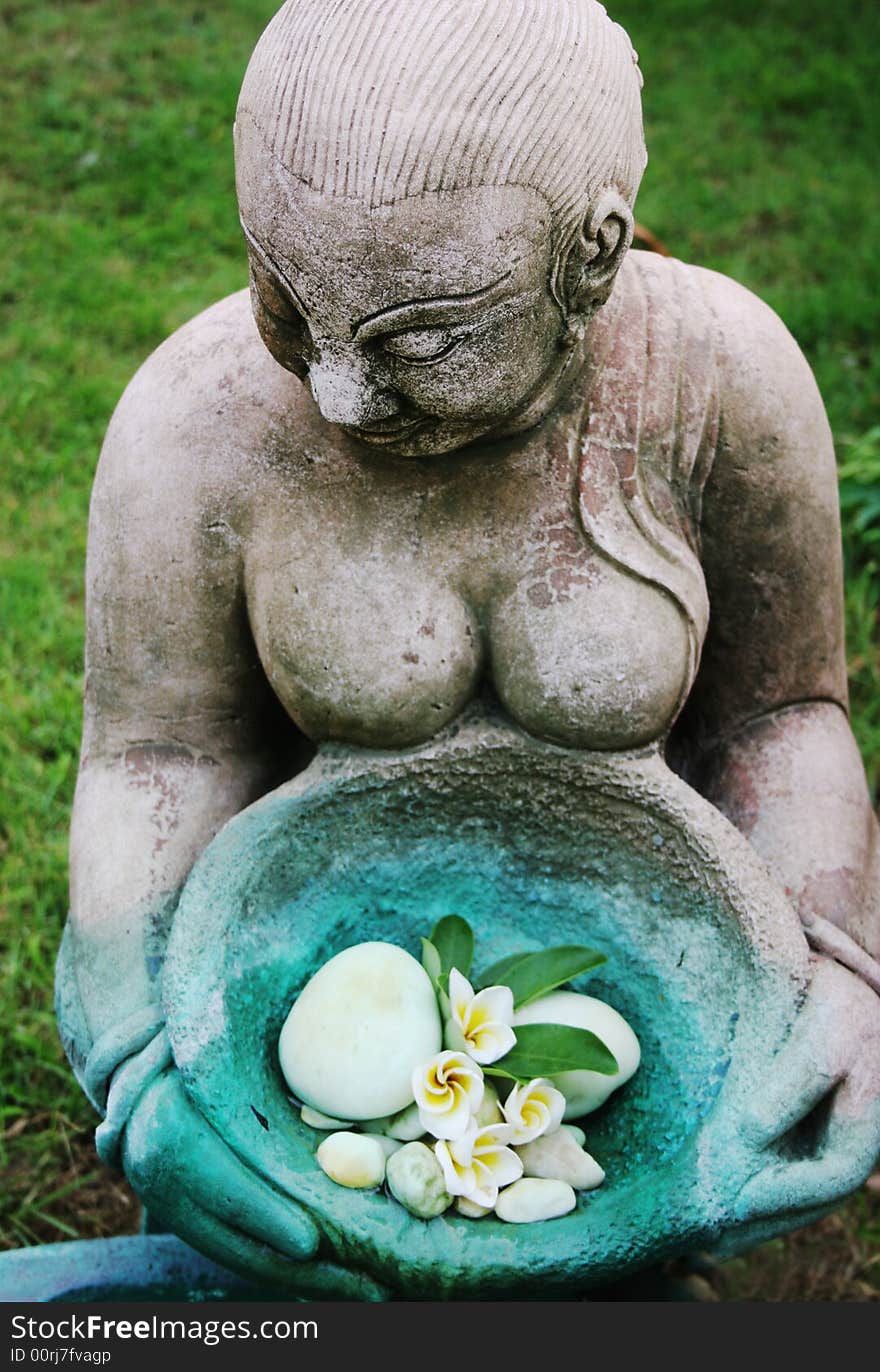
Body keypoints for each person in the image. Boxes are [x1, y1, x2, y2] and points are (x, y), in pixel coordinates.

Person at [57, 0, 880, 1285]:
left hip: (651, 986)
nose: (333, 389)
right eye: (284, 294)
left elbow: (781, 713)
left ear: (591, 251)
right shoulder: (196, 416)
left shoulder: (720, 377)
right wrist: (139, 1063)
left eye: (421, 338)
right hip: (274, 998)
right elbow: (152, 754)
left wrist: (838, 965)